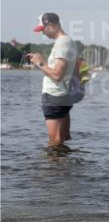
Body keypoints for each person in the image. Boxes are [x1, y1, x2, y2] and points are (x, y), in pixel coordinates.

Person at [26, 13, 78, 148]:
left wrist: (40, 63)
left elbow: (57, 75)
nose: (43, 33)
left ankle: (53, 169)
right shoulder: (68, 41)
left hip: (54, 96)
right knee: (63, 139)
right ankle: (64, 168)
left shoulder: (61, 43)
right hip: (63, 96)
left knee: (54, 141)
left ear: (51, 25)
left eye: (43, 29)